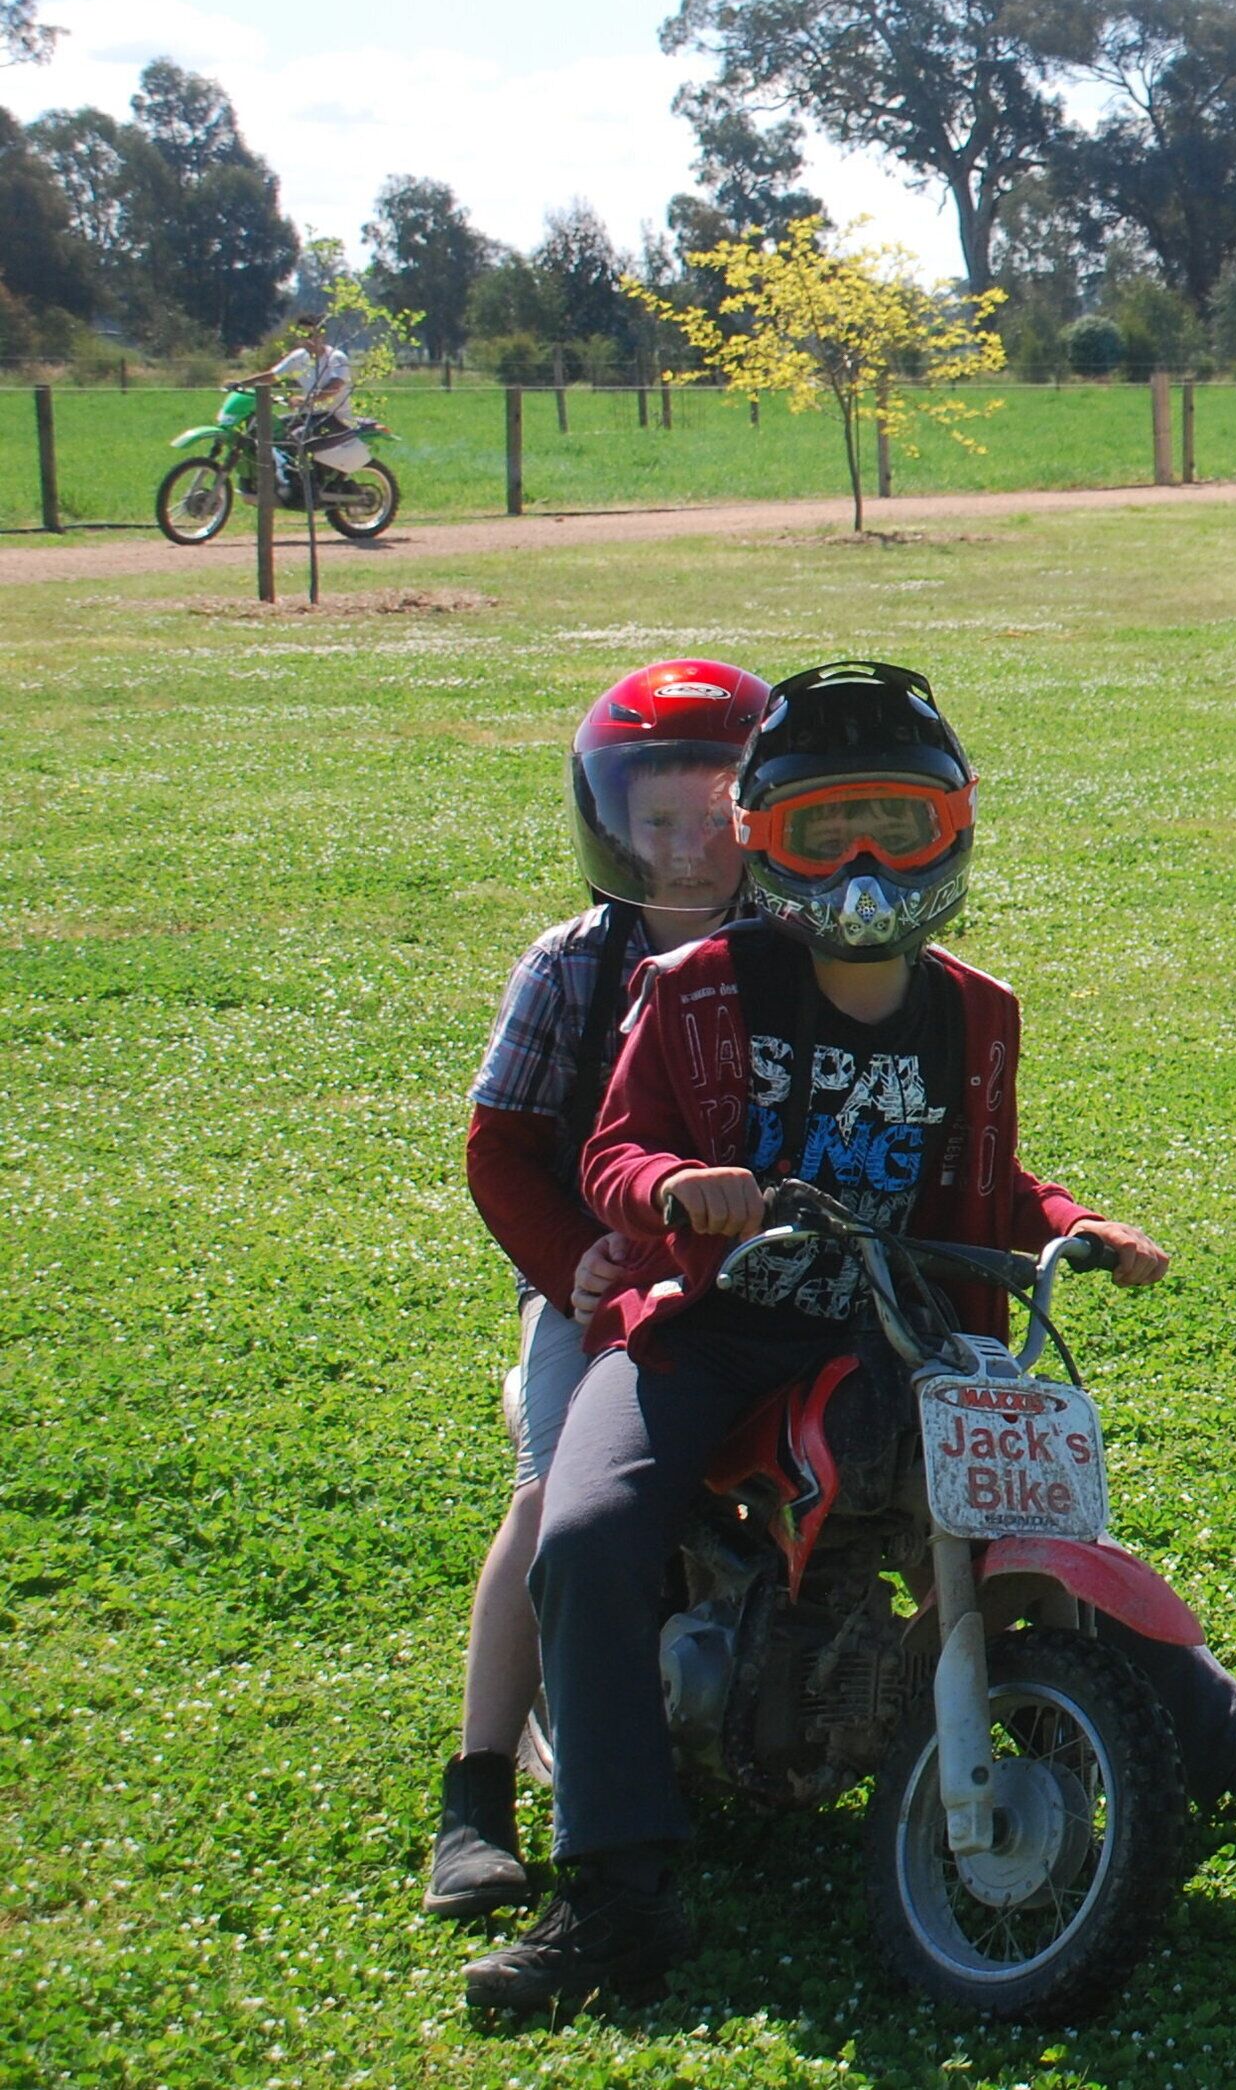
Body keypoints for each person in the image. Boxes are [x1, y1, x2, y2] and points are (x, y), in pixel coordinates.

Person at [465, 661, 1236, 2016]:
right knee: (589, 1531)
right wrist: (673, 1185)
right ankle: (614, 1890)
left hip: (896, 1322)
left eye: (896, 825)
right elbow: (611, 1148)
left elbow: (987, 1179)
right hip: (709, 1328)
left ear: (951, 827)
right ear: (764, 835)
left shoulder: (972, 1008)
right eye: (825, 828)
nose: (865, 864)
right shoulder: (695, 984)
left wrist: (1074, 1219)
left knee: (1035, 1502)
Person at [430, 660, 773, 1926]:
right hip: (601, 1279)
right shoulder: (572, 963)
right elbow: (500, 1145)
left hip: (764, 1284)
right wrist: (568, 1259)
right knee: (549, 1496)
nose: (685, 847)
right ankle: (478, 1793)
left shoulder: (798, 955)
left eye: (717, 815)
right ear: (606, 821)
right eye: (655, 818)